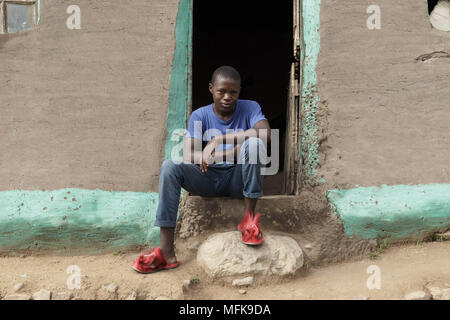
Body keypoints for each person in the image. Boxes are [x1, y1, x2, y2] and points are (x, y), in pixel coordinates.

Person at [132, 66, 271, 274]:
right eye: (221, 91)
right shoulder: (200, 115)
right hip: (208, 177)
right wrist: (207, 156)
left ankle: (249, 221)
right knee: (170, 165)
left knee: (254, 145)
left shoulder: (250, 108)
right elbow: (189, 154)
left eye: (233, 92)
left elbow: (265, 134)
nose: (227, 97)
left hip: (238, 178)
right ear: (211, 89)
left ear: (239, 92)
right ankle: (166, 251)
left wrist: (220, 141)